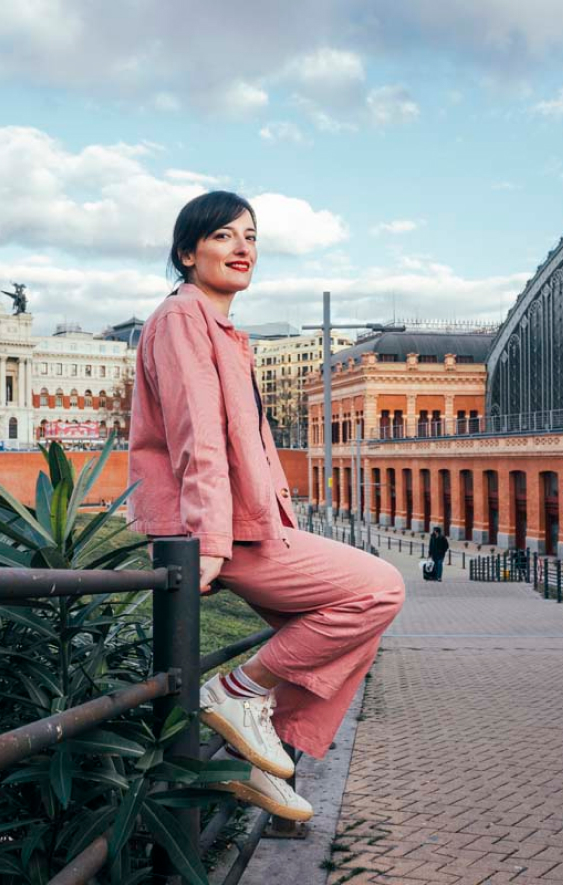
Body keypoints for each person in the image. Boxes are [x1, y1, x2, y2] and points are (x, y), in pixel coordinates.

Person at [128, 191, 405, 822]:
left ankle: (259, 757)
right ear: (186, 252)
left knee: (348, 639)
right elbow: (196, 433)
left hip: (251, 523)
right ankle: (233, 692)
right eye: (224, 236)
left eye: (251, 236)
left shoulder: (225, 331)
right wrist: (210, 541)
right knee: (379, 589)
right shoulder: (182, 319)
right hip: (214, 530)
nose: (243, 247)